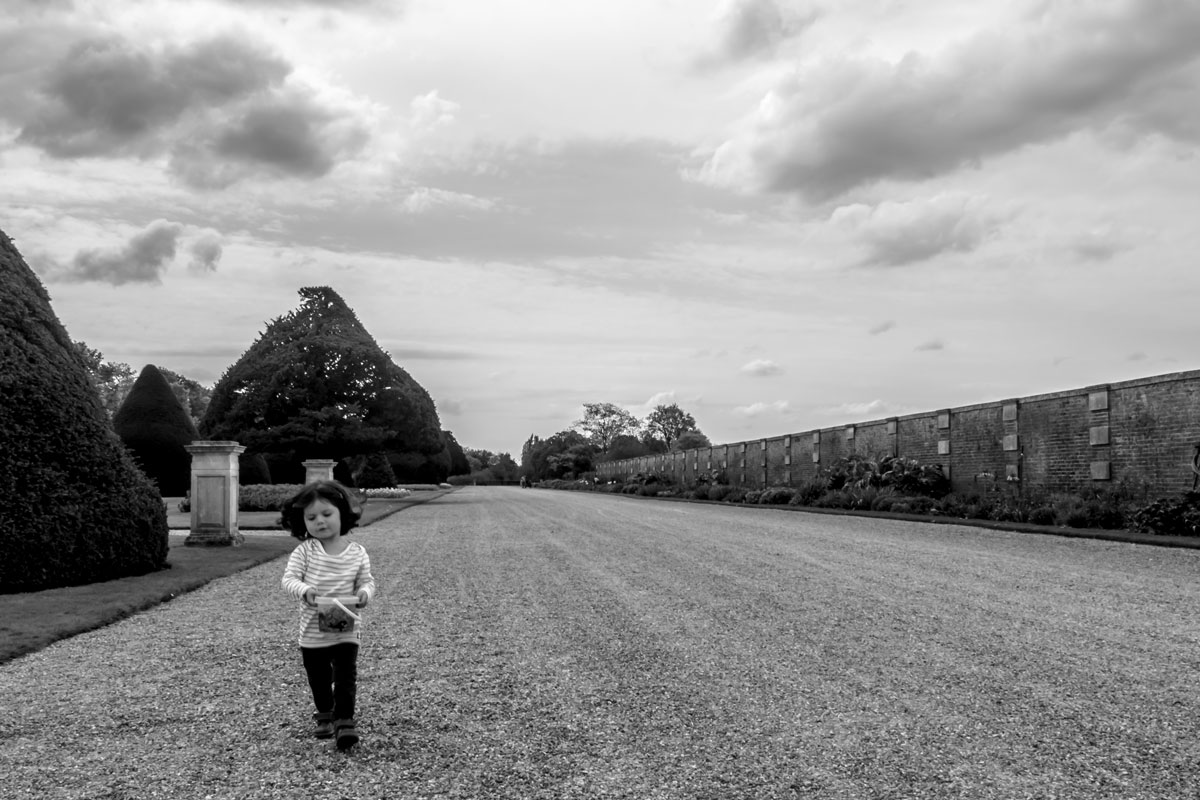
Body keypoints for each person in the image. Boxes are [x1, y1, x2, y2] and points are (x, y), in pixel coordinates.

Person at [281, 480, 377, 751]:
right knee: (319, 675)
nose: (320, 522)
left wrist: (365, 594)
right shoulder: (305, 552)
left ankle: (345, 720)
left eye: (326, 514)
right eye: (311, 517)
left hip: (346, 623)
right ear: (302, 522)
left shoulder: (357, 553)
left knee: (346, 674)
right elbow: (288, 579)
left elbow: (367, 581)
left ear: (342, 514)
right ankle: (325, 712)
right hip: (313, 629)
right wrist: (304, 590)